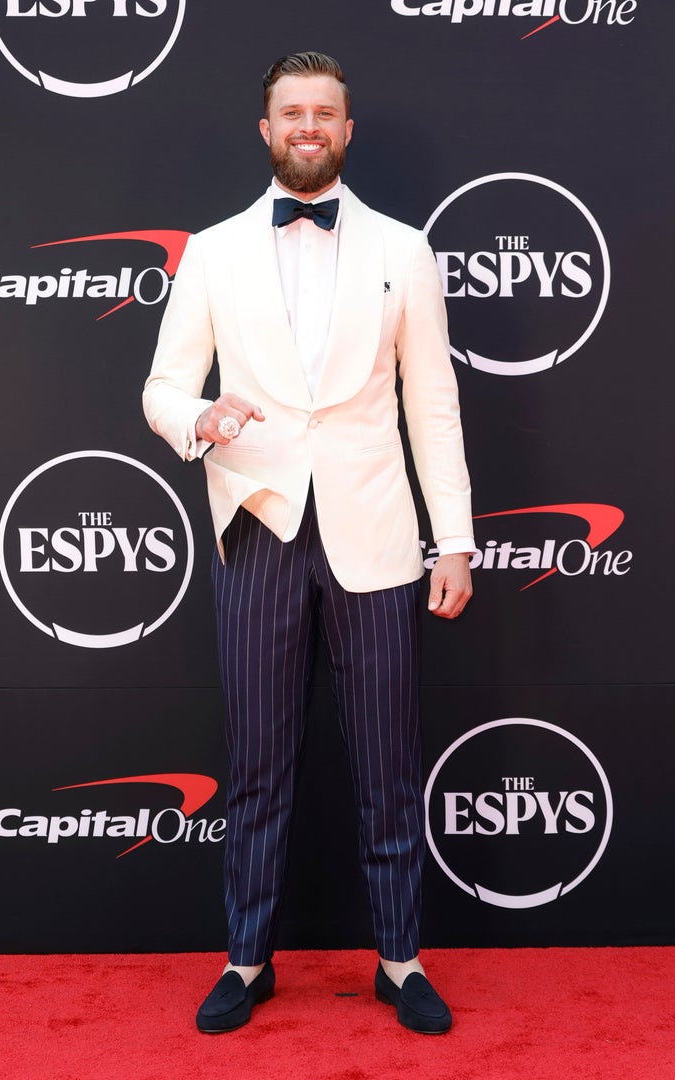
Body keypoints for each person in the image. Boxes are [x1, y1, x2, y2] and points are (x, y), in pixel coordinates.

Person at [143, 51, 474, 1035]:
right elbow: (161, 388)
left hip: (375, 533)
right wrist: (201, 422)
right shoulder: (209, 252)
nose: (307, 127)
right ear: (266, 128)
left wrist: (453, 540)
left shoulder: (405, 252)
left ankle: (401, 961)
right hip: (259, 527)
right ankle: (247, 960)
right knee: (254, 766)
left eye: (324, 113)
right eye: (291, 113)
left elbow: (436, 412)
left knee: (387, 763)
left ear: (345, 129)